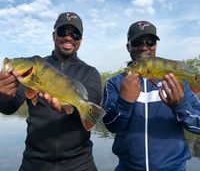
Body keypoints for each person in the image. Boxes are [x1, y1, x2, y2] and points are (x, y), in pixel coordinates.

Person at [0, 12, 102, 171]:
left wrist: (70, 108)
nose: (68, 37)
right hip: (34, 163)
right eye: (63, 32)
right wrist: (2, 95)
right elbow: (9, 107)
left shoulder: (90, 72)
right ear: (54, 36)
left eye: (75, 34)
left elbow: (92, 107)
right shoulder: (35, 65)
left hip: (80, 164)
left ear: (80, 40)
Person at [102, 20, 200, 171]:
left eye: (150, 42)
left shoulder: (179, 83)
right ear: (128, 46)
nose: (144, 47)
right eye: (136, 42)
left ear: (156, 46)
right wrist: (124, 102)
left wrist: (180, 106)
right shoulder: (114, 83)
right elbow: (111, 126)